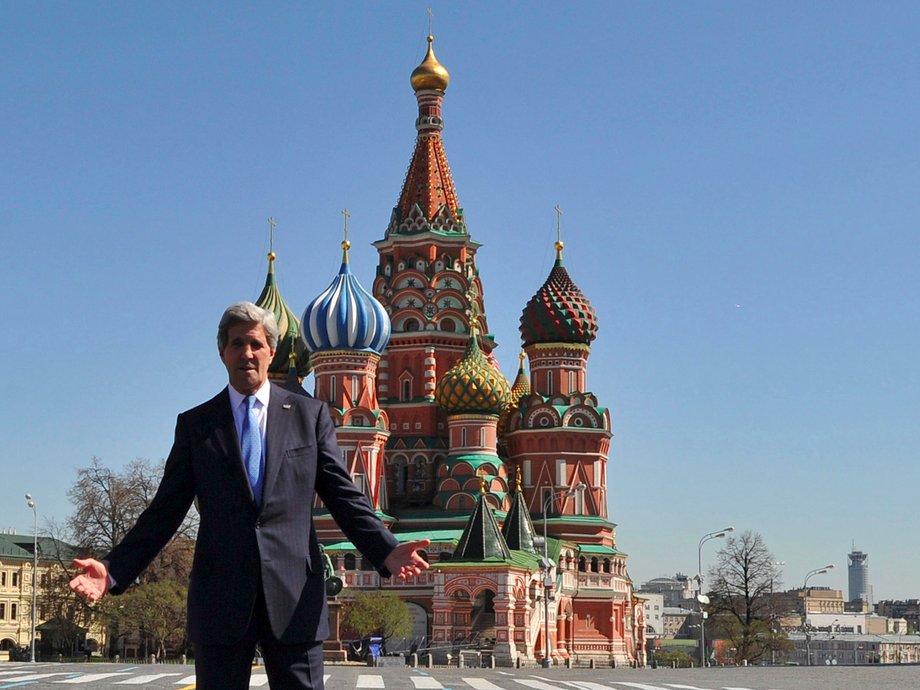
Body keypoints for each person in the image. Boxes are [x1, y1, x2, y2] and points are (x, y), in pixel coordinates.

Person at [69, 301, 429, 689]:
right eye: (237, 343)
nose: (247, 353)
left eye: (256, 344)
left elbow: (344, 495)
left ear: (272, 351)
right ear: (222, 352)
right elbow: (164, 511)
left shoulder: (309, 417)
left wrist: (386, 549)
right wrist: (113, 568)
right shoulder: (196, 426)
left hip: (295, 599)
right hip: (220, 600)